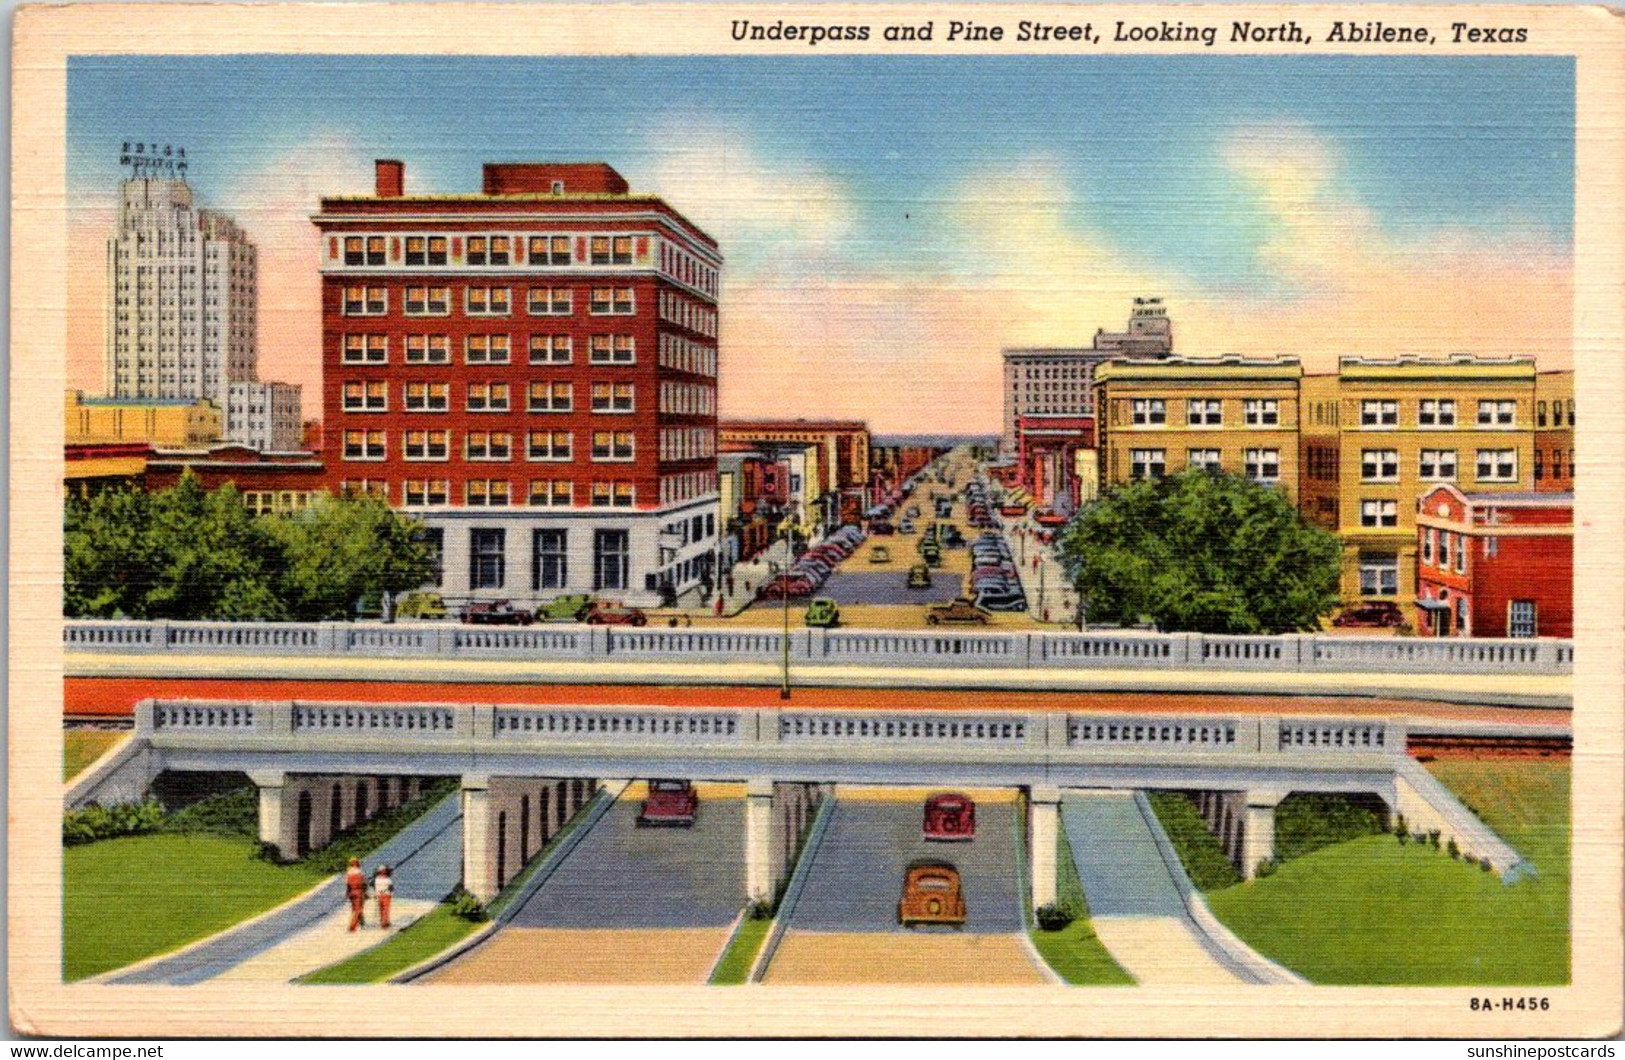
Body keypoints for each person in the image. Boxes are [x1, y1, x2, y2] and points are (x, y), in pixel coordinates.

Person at [344, 857, 367, 931]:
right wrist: (365, 892)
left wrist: (347, 893)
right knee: (359, 908)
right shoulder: (360, 872)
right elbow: (363, 884)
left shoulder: (348, 872)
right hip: (359, 891)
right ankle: (352, 926)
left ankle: (362, 921)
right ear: (357, 864)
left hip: (351, 892)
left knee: (354, 908)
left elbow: (347, 884)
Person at [373, 865, 394, 930]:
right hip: (386, 895)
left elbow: (375, 888)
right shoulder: (388, 880)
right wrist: (391, 893)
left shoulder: (376, 880)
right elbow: (391, 888)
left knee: (381, 909)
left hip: (379, 896)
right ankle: (385, 923)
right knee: (386, 909)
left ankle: (383, 921)